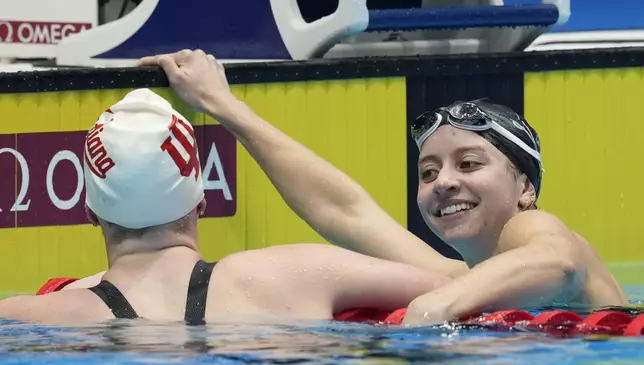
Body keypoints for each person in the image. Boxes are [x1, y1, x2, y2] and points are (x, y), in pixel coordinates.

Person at [132, 49, 626, 325]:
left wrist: (432, 310)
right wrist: (224, 106)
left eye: (469, 163)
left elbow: (557, 259)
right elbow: (343, 212)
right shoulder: (455, 275)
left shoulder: (532, 228)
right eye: (428, 173)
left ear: (525, 187)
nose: (444, 182)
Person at [0, 87, 448, 326]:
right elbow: (460, 285)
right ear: (202, 199)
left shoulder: (38, 317)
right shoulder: (299, 274)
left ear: (89, 212)